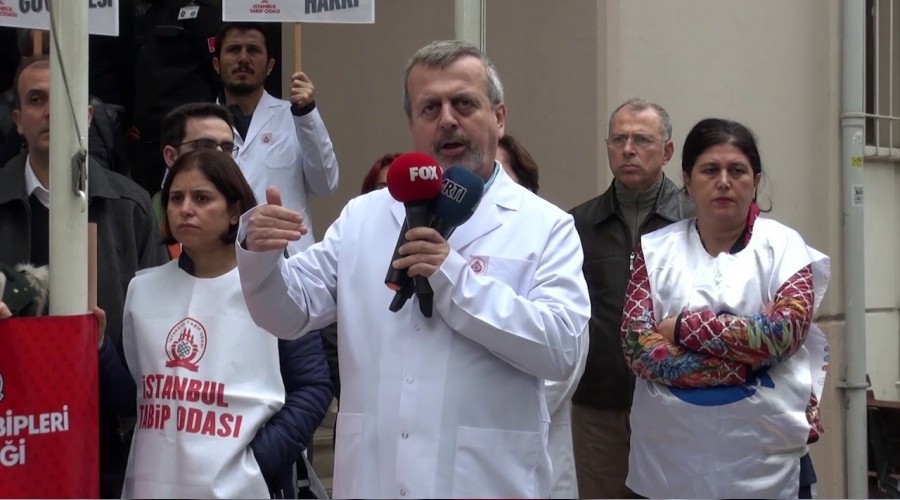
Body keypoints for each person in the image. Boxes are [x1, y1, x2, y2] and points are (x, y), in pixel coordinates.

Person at [235, 39, 590, 498]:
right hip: (375, 478)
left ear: (499, 118)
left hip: (484, 481)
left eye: (464, 103)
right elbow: (288, 313)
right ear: (412, 125)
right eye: (430, 108)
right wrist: (259, 253)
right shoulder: (364, 216)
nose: (448, 119)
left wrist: (454, 279)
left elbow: (562, 349)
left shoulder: (545, 226)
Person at [101, 149, 332, 498]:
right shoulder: (142, 289)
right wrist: (100, 347)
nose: (185, 209)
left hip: (240, 490)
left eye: (202, 198)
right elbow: (132, 397)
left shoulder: (274, 284)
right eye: (175, 198)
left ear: (235, 211)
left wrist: (255, 465)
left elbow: (312, 387)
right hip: (151, 487)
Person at [620, 118, 830, 499]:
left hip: (768, 470)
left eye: (737, 171)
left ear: (756, 180)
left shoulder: (784, 248)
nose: (723, 181)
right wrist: (749, 363)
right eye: (709, 170)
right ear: (687, 180)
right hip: (669, 468)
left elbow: (784, 333)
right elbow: (638, 349)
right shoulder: (654, 251)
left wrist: (681, 329)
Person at [0, 56, 168, 498]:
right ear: (18, 121)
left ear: (88, 116)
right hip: (12, 433)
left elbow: (156, 337)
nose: (51, 112)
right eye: (37, 100)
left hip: (106, 435)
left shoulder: (130, 208)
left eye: (65, 99)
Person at [568, 97, 694, 499]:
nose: (628, 149)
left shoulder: (693, 220)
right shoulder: (578, 224)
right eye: (618, 139)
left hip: (676, 402)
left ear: (667, 151)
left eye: (641, 140)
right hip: (599, 404)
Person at [494, 136, 586, 499]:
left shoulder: (553, 244)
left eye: (501, 176)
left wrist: (477, 412)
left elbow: (561, 367)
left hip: (533, 450)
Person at [213, 22, 339, 255]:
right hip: (221, 258)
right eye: (233, 50)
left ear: (270, 65)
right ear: (216, 64)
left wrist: (306, 113)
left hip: (287, 259)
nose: (243, 58)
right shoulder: (199, 125)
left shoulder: (296, 116)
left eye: (253, 50)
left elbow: (325, 185)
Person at [130, 0, 224, 194]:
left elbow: (216, 73)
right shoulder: (145, 15)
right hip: (148, 141)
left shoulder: (201, 14)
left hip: (188, 135)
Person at [153, 102, 237, 259]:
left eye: (227, 148)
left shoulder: (254, 228)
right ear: (171, 156)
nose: (219, 155)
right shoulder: (144, 216)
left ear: (235, 212)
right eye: (205, 146)